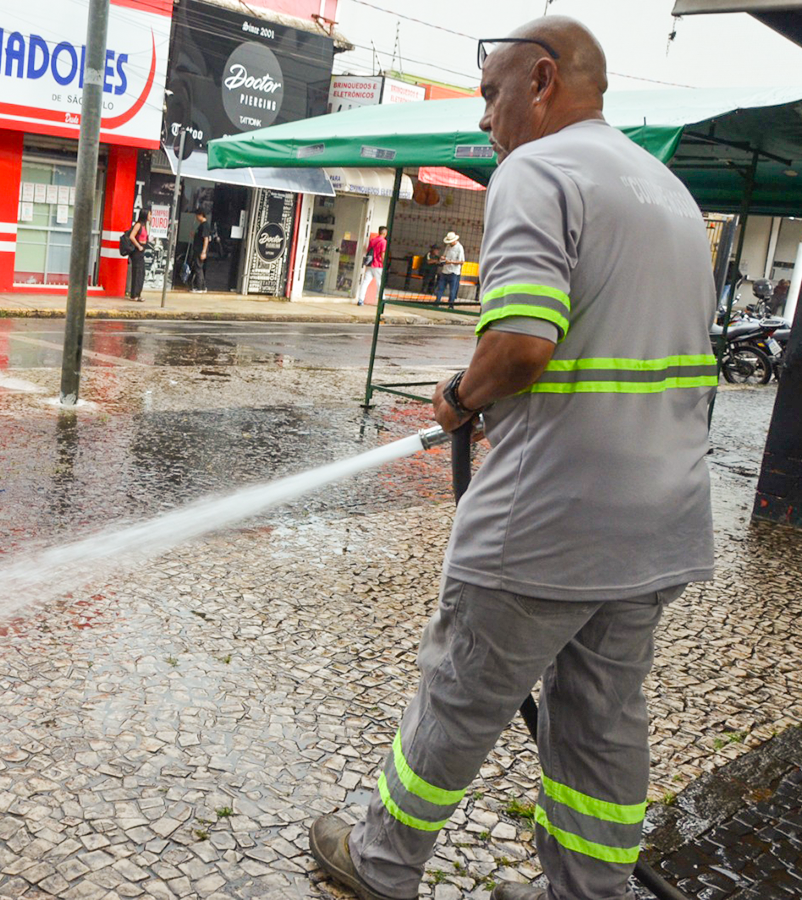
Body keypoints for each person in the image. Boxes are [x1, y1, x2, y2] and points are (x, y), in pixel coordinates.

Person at [309, 16, 716, 900]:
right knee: (602, 723)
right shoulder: (669, 192)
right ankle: (589, 890)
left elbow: (525, 343)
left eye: (492, 94)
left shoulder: (540, 169)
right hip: (662, 521)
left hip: (551, 517)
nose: (487, 120)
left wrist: (458, 397)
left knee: (458, 696)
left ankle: (379, 861)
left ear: (541, 80)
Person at [357, 225, 388, 305]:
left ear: (379, 232)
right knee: (379, 283)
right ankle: (382, 300)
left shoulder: (373, 240)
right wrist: (385, 264)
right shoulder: (383, 242)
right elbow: (382, 254)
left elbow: (368, 250)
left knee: (365, 282)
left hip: (370, 264)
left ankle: (360, 299)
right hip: (378, 265)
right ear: (385, 233)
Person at [434, 231, 465, 308]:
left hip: (454, 272)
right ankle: (437, 303)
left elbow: (462, 261)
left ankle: (450, 305)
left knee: (452, 290)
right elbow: (445, 256)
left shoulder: (459, 248)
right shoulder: (448, 247)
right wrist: (443, 258)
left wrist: (450, 262)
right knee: (440, 288)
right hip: (445, 271)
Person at [124, 209, 149, 301]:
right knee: (137, 272)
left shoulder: (145, 225)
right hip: (137, 251)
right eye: (149, 214)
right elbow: (131, 236)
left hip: (142, 250)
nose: (150, 216)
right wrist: (138, 246)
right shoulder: (138, 225)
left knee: (141, 272)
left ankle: (138, 293)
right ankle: (134, 294)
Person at [190, 209, 215, 293]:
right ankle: (203, 287)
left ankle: (199, 287)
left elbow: (206, 239)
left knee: (198, 268)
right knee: (199, 267)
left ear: (201, 215)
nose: (196, 217)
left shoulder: (205, 225)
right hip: (198, 249)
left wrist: (203, 252)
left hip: (200, 250)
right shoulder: (202, 225)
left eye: (197, 215)